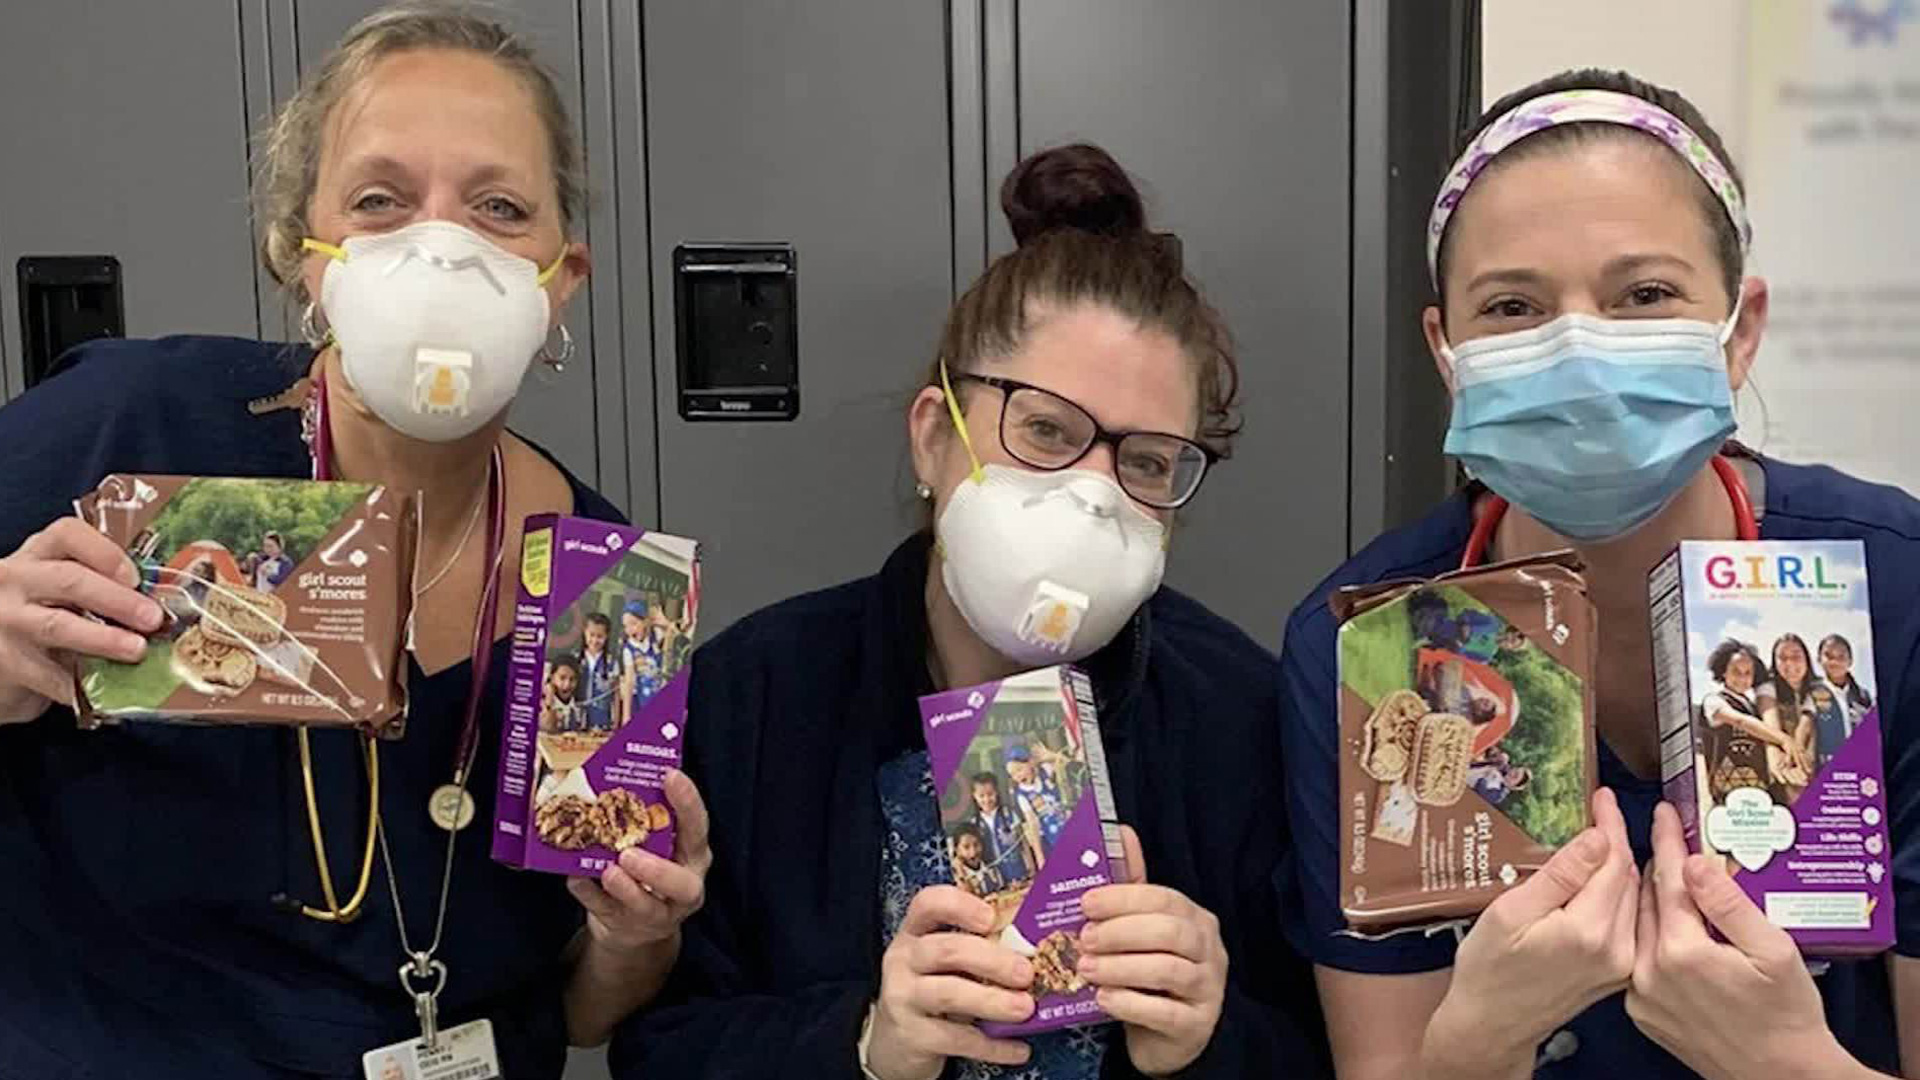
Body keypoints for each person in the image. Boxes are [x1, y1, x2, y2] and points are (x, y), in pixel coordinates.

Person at [0, 7, 710, 1074]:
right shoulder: (128, 433)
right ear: (303, 254)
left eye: (499, 208)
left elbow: (581, 1014)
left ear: (564, 273)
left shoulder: (605, 584)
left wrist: (635, 934)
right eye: (381, 201)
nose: (442, 247)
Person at [612, 144, 1327, 1079]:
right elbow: (657, 1049)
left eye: (1146, 461)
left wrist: (1209, 1034)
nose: (1090, 494)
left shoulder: (1239, 716)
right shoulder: (757, 694)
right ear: (931, 436)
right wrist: (867, 1042)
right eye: (1043, 430)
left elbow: (1334, 1049)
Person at [1278, 69, 1920, 1079]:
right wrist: (1481, 1039)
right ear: (1446, 352)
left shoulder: (1897, 594)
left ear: (1739, 330)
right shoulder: (1367, 645)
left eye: (1646, 295)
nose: (1578, 349)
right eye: (1514, 306)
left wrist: (1785, 1063)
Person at [1698, 640, 1784, 803]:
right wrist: (1785, 739)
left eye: (1748, 673)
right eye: (1736, 671)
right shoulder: (1714, 701)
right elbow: (1741, 721)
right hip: (1726, 793)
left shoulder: (1752, 706)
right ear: (1724, 672)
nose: (1742, 678)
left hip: (1757, 791)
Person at [1763, 634, 1820, 802]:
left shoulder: (1820, 689)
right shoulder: (1767, 688)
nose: (1789, 663)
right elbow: (1770, 724)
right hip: (1783, 768)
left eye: (1796, 656)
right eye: (1782, 658)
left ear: (1807, 659)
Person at [1005, 742, 1071, 867]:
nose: (1017, 776)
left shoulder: (1045, 771)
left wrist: (1051, 756)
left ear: (1030, 762)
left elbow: (1070, 766)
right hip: (1053, 838)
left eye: (1019, 769)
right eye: (1013, 774)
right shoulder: (1022, 795)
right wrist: (1039, 855)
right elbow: (1033, 824)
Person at [967, 771, 1032, 886]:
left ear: (996, 792)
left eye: (990, 794)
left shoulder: (1009, 814)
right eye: (981, 796)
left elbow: (1024, 843)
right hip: (994, 880)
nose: (986, 800)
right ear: (974, 796)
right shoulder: (974, 824)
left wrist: (1031, 867)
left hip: (1019, 874)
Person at [1820, 632, 1875, 740]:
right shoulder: (1811, 693)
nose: (1835, 661)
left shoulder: (1863, 697)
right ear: (1819, 659)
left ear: (1850, 661)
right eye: (1829, 656)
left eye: (1841, 656)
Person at [578, 611, 620, 733]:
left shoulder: (612, 663)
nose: (595, 640)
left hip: (602, 723)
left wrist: (616, 723)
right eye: (591, 635)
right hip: (577, 722)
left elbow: (616, 695)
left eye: (600, 636)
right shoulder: (576, 660)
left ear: (606, 637)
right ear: (584, 633)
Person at [949, 823, 1005, 899]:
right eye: (966, 847)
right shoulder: (955, 878)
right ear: (957, 850)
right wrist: (960, 872)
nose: (973, 853)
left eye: (976, 845)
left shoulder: (992, 869)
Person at [541, 657, 586, 734]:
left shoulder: (579, 706)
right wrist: (549, 700)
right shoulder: (543, 702)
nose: (567, 685)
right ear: (552, 678)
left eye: (572, 679)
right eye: (562, 678)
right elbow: (548, 728)